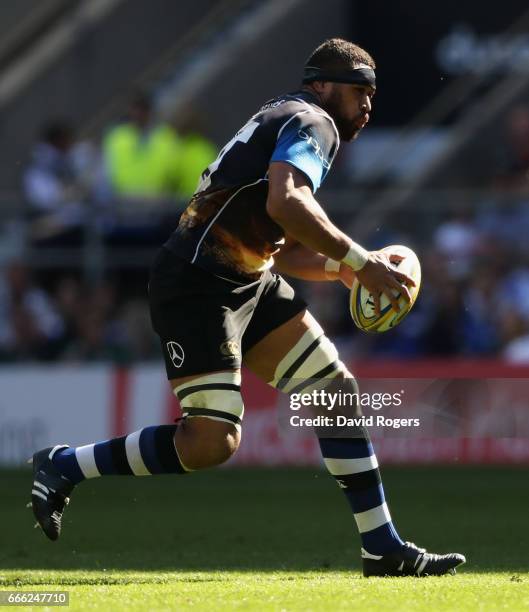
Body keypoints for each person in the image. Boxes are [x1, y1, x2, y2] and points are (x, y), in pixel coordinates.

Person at [30, 39, 465, 577]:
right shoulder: (315, 122)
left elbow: (281, 237)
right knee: (212, 440)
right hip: (197, 284)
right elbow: (288, 203)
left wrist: (345, 269)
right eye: (359, 92)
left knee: (335, 391)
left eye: (372, 95)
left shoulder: (286, 116)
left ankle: (382, 548)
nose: (368, 106)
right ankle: (64, 463)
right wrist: (362, 259)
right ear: (324, 85)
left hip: (245, 278)